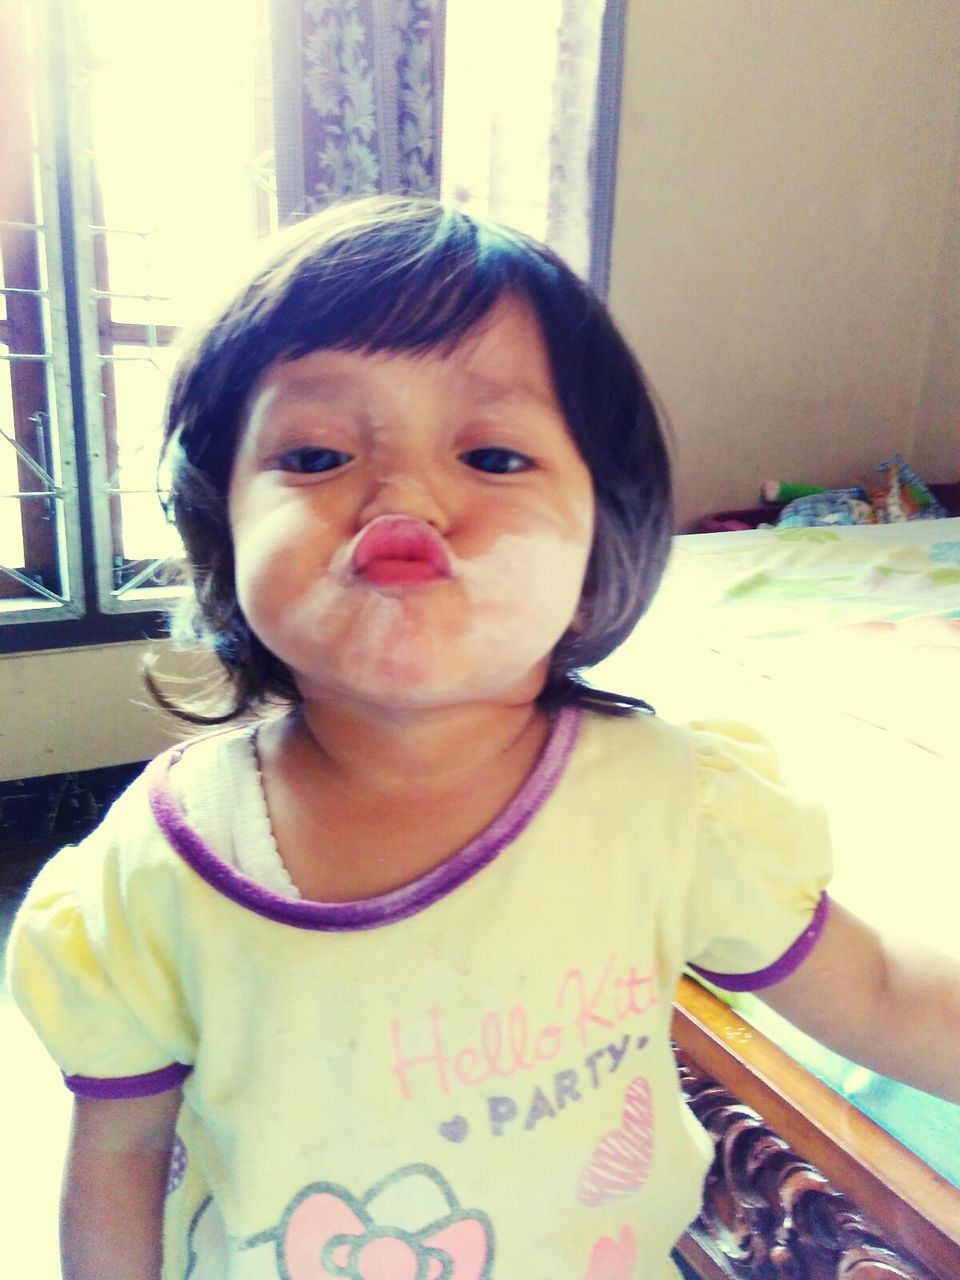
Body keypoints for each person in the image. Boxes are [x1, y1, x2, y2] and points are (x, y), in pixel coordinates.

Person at [6, 196, 959, 1280]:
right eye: (315, 452)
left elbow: (876, 988)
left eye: (495, 457)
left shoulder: (676, 806)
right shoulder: (159, 862)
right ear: (221, 521)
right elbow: (121, 1150)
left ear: (606, 530)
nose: (403, 493)